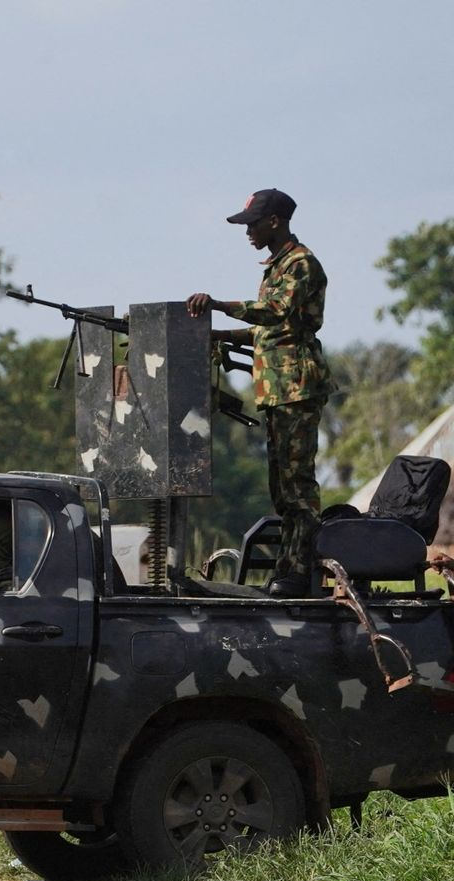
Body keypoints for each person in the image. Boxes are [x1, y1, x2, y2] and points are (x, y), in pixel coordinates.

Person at [186, 188, 330, 598]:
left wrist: (218, 304)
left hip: (296, 387)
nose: (247, 231)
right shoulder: (278, 265)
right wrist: (216, 334)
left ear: (275, 222)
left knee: (298, 487)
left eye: (252, 223)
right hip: (278, 391)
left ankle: (298, 573)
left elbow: (276, 312)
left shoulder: (301, 264)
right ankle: (289, 570)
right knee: (282, 488)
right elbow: (265, 329)